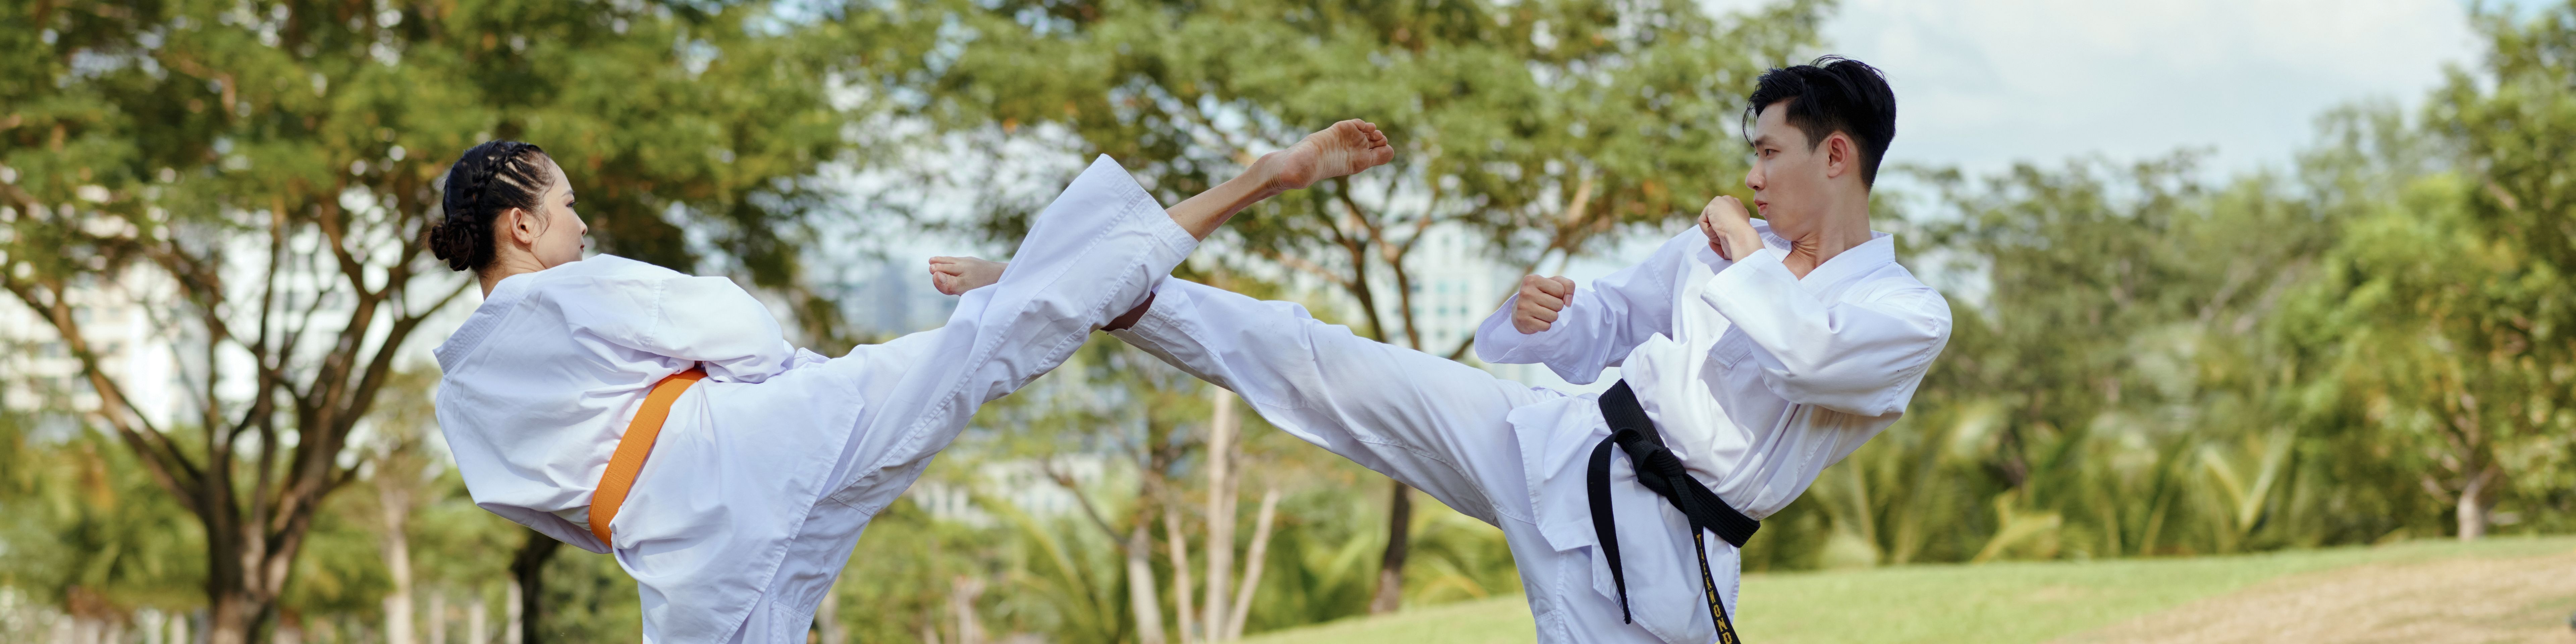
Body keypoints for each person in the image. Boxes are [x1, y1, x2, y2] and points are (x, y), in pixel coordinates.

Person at [937, 56, 1948, 644]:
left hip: (1662, 554)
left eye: (1769, 153)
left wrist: (1731, 239)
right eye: (1750, 160)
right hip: (1555, 441)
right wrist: (1545, 313)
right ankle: (1081, 285)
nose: (1754, 178)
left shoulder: (1903, 314)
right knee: (1312, 355)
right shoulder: (1722, 254)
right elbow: (1611, 326)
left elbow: (1806, 357)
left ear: (1837, 154)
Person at [427, 120, 1392, 643]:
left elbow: (553, 513)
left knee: (999, 333)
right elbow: (744, 328)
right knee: (998, 335)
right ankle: (1256, 180)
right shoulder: (579, 291)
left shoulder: (458, 388)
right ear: (519, 226)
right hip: (757, 444)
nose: (580, 222)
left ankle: (1234, 190)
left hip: (672, 548)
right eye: (564, 205)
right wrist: (744, 391)